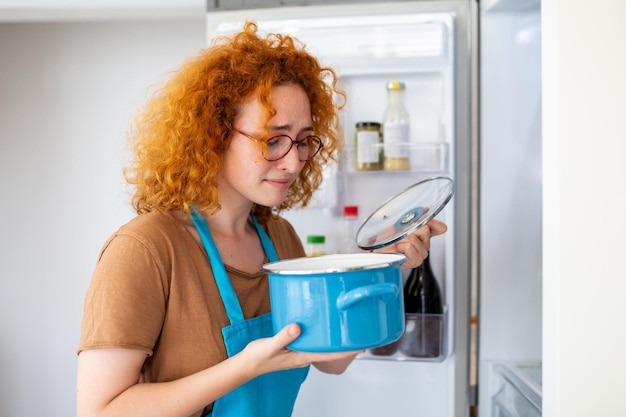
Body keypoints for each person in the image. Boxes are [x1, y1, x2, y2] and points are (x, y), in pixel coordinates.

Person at [76, 21, 447, 417]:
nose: (292, 162)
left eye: (303, 141)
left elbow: (330, 360)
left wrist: (386, 267)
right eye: (273, 139)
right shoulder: (146, 248)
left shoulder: (278, 237)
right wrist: (245, 366)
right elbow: (99, 410)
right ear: (214, 135)